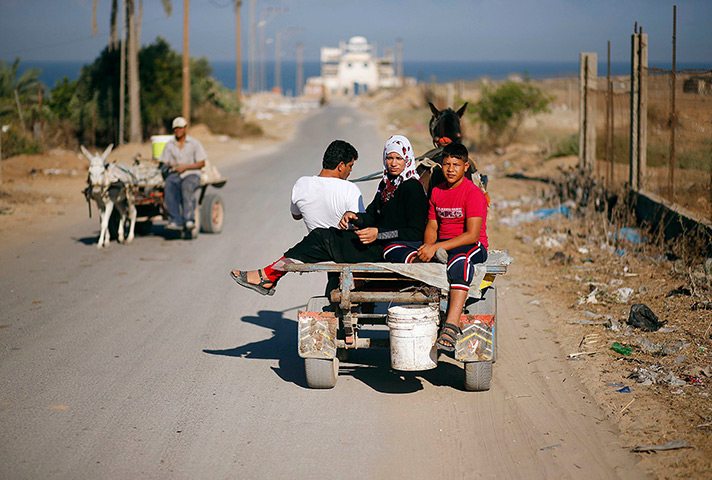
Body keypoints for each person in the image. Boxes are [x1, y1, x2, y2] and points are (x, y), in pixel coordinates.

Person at [230, 134, 428, 296]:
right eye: (389, 158)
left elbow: (415, 232)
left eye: (398, 158)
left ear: (407, 159)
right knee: (322, 235)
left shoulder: (412, 188)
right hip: (376, 243)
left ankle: (269, 275)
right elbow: (371, 216)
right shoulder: (386, 185)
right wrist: (354, 217)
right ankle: (270, 275)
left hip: (391, 248)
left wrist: (379, 234)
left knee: (322, 236)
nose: (393, 163)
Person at [383, 142, 488, 351]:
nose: (451, 169)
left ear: (466, 167)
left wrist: (438, 247)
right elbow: (432, 225)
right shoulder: (437, 191)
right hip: (441, 246)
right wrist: (428, 248)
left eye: (456, 165)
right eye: (447, 164)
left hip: (470, 245)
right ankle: (436, 258)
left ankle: (451, 324)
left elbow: (472, 235)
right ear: (441, 165)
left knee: (460, 261)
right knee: (390, 248)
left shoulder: (473, 193)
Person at [291, 140, 364, 233]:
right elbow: (361, 223)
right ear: (341, 166)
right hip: (342, 245)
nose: (351, 170)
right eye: (350, 166)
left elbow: (296, 215)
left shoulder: (301, 184)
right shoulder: (350, 188)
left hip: (314, 244)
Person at [159, 116, 207, 231]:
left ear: (185, 128)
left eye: (180, 128)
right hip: (175, 175)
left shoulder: (194, 143)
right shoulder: (169, 144)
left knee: (187, 186)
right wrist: (168, 165)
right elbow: (164, 162)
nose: (178, 130)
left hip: (192, 174)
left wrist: (185, 167)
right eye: (176, 128)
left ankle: (189, 219)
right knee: (169, 185)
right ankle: (175, 220)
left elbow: (201, 163)